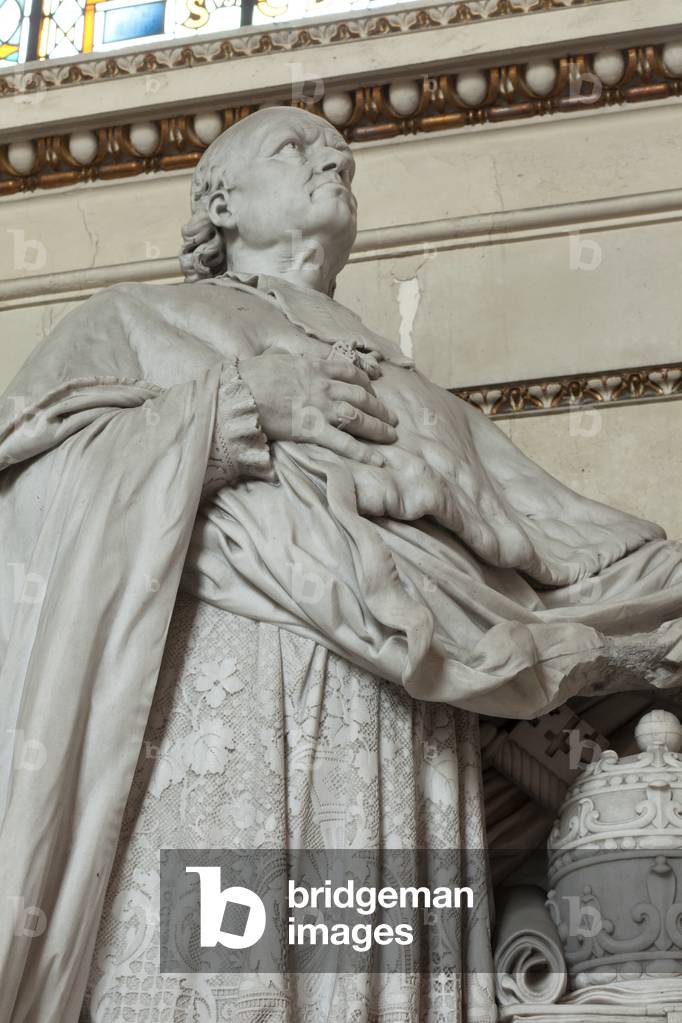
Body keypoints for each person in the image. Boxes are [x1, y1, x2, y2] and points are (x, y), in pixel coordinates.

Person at [2, 105, 682, 1023]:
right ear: (221, 201)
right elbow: (29, 513)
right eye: (295, 145)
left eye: (340, 151)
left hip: (402, 744)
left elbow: (571, 559)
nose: (337, 153)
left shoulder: (424, 399)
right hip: (228, 707)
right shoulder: (135, 321)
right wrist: (227, 407)